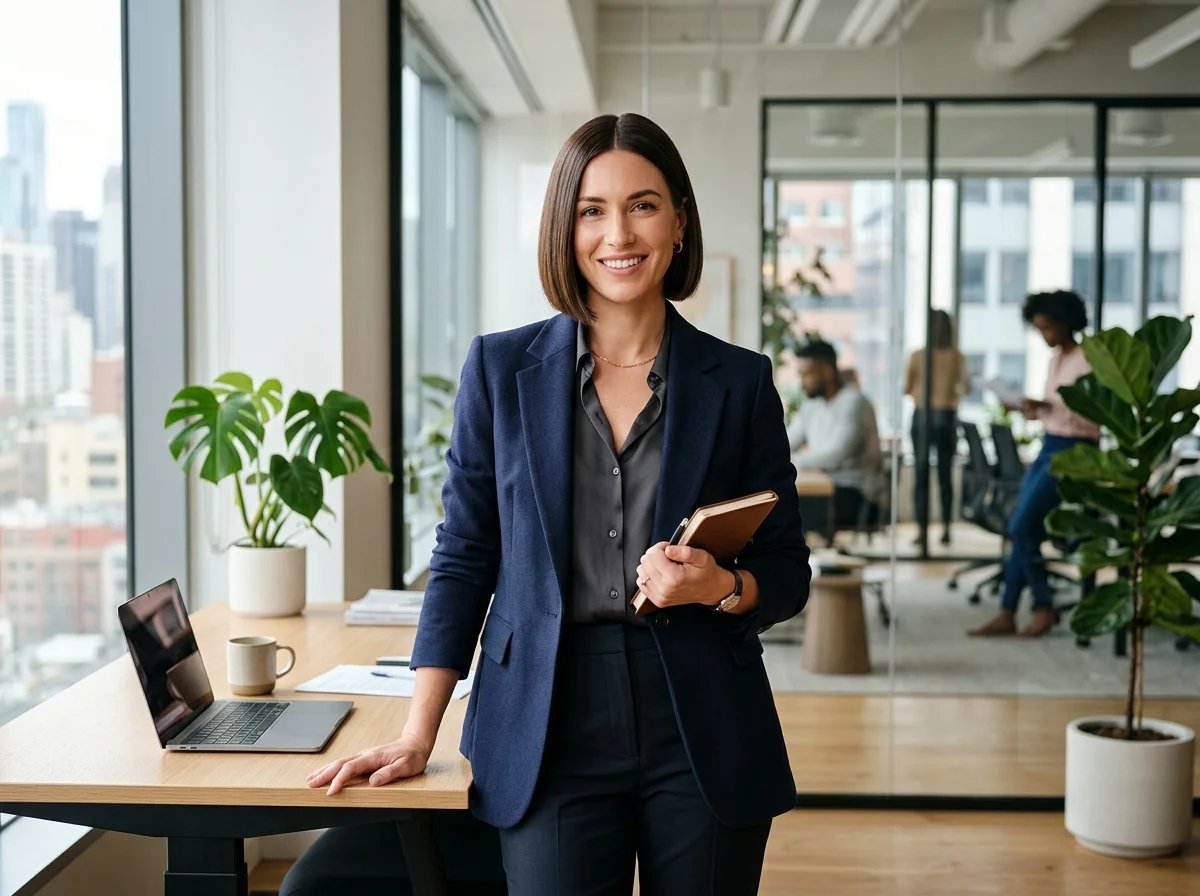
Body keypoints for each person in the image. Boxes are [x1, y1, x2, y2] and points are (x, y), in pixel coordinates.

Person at [305, 113, 810, 896]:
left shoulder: (738, 382)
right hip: (547, 715)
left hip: (703, 714)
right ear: (564, 228)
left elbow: (787, 569)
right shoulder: (500, 369)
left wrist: (719, 585)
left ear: (679, 221)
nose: (620, 233)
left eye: (643, 205)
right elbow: (466, 556)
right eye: (592, 210)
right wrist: (417, 732)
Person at [969, 289, 1099, 639]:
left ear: (1065, 322)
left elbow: (1087, 410)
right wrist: (1031, 408)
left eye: (1048, 328)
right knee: (1019, 526)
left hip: (1076, 450)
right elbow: (1055, 408)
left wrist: (1045, 407)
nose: (1044, 336)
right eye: (1039, 328)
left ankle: (1043, 606)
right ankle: (1008, 611)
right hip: (1050, 444)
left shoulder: (1089, 358)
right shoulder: (1057, 359)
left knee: (1023, 526)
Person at [787, 340, 885, 534]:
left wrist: (793, 461)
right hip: (824, 487)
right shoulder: (812, 405)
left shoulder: (854, 403)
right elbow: (786, 441)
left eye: (807, 374)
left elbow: (837, 454)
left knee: (786, 509)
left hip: (853, 492)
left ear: (827, 372)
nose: (802, 382)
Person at [905, 309, 970, 546]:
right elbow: (967, 386)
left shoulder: (918, 355)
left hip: (922, 415)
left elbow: (906, 388)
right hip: (947, 415)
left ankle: (921, 532)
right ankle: (946, 528)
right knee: (945, 475)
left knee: (921, 475)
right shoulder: (956, 356)